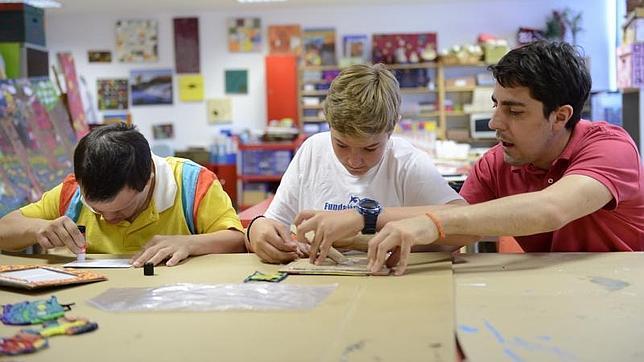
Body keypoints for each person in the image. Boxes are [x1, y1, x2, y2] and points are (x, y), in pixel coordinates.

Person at [295, 40, 644, 275]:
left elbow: (549, 209)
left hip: (624, 288)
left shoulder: (610, 147)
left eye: (514, 111)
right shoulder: (497, 163)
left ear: (561, 116)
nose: (495, 122)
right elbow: (455, 227)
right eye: (496, 105)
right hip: (556, 288)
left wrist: (372, 217)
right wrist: (353, 237)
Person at [247, 63, 465, 264]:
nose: (353, 160)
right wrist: (257, 230)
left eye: (370, 148)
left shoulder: (406, 162)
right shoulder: (312, 150)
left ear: (392, 128)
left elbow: (462, 222)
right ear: (328, 124)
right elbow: (274, 223)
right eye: (341, 144)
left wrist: (360, 240)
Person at [0, 123, 245, 266]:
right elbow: (4, 229)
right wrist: (37, 229)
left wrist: (189, 243)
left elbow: (238, 241)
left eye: (120, 209)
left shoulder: (193, 184)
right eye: (96, 210)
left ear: (148, 178)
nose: (109, 219)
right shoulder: (72, 192)